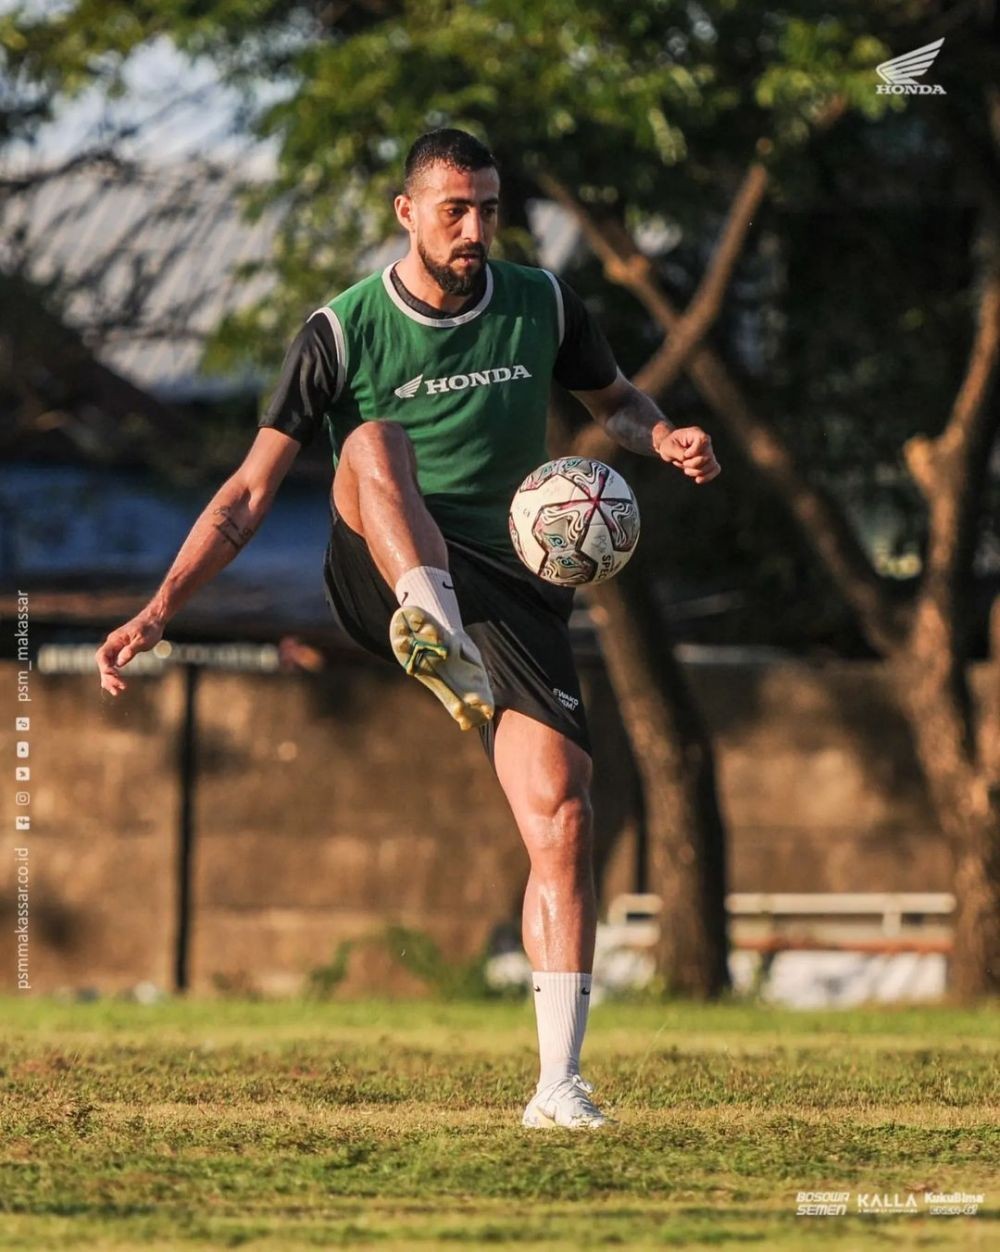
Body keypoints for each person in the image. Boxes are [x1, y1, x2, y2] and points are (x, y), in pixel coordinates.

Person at [95, 128, 720, 1130]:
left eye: (488, 208)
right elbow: (248, 496)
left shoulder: (542, 302)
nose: (475, 228)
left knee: (562, 810)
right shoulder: (340, 332)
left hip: (511, 581)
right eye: (453, 210)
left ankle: (559, 1085)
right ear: (406, 212)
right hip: (379, 567)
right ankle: (428, 623)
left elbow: (618, 402)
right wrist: (161, 606)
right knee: (375, 441)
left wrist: (663, 434)